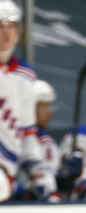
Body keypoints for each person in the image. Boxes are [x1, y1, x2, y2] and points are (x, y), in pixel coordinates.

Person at [0, 0, 41, 202]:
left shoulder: (25, 75)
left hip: (9, 174)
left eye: (12, 26)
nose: (7, 33)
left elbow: (28, 132)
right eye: (1, 25)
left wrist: (39, 174)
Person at [15, 80, 61, 201]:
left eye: (50, 106)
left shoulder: (49, 142)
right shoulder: (15, 137)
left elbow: (51, 179)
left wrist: (66, 177)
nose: (50, 112)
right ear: (30, 106)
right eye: (44, 106)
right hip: (18, 205)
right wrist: (22, 192)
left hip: (47, 204)